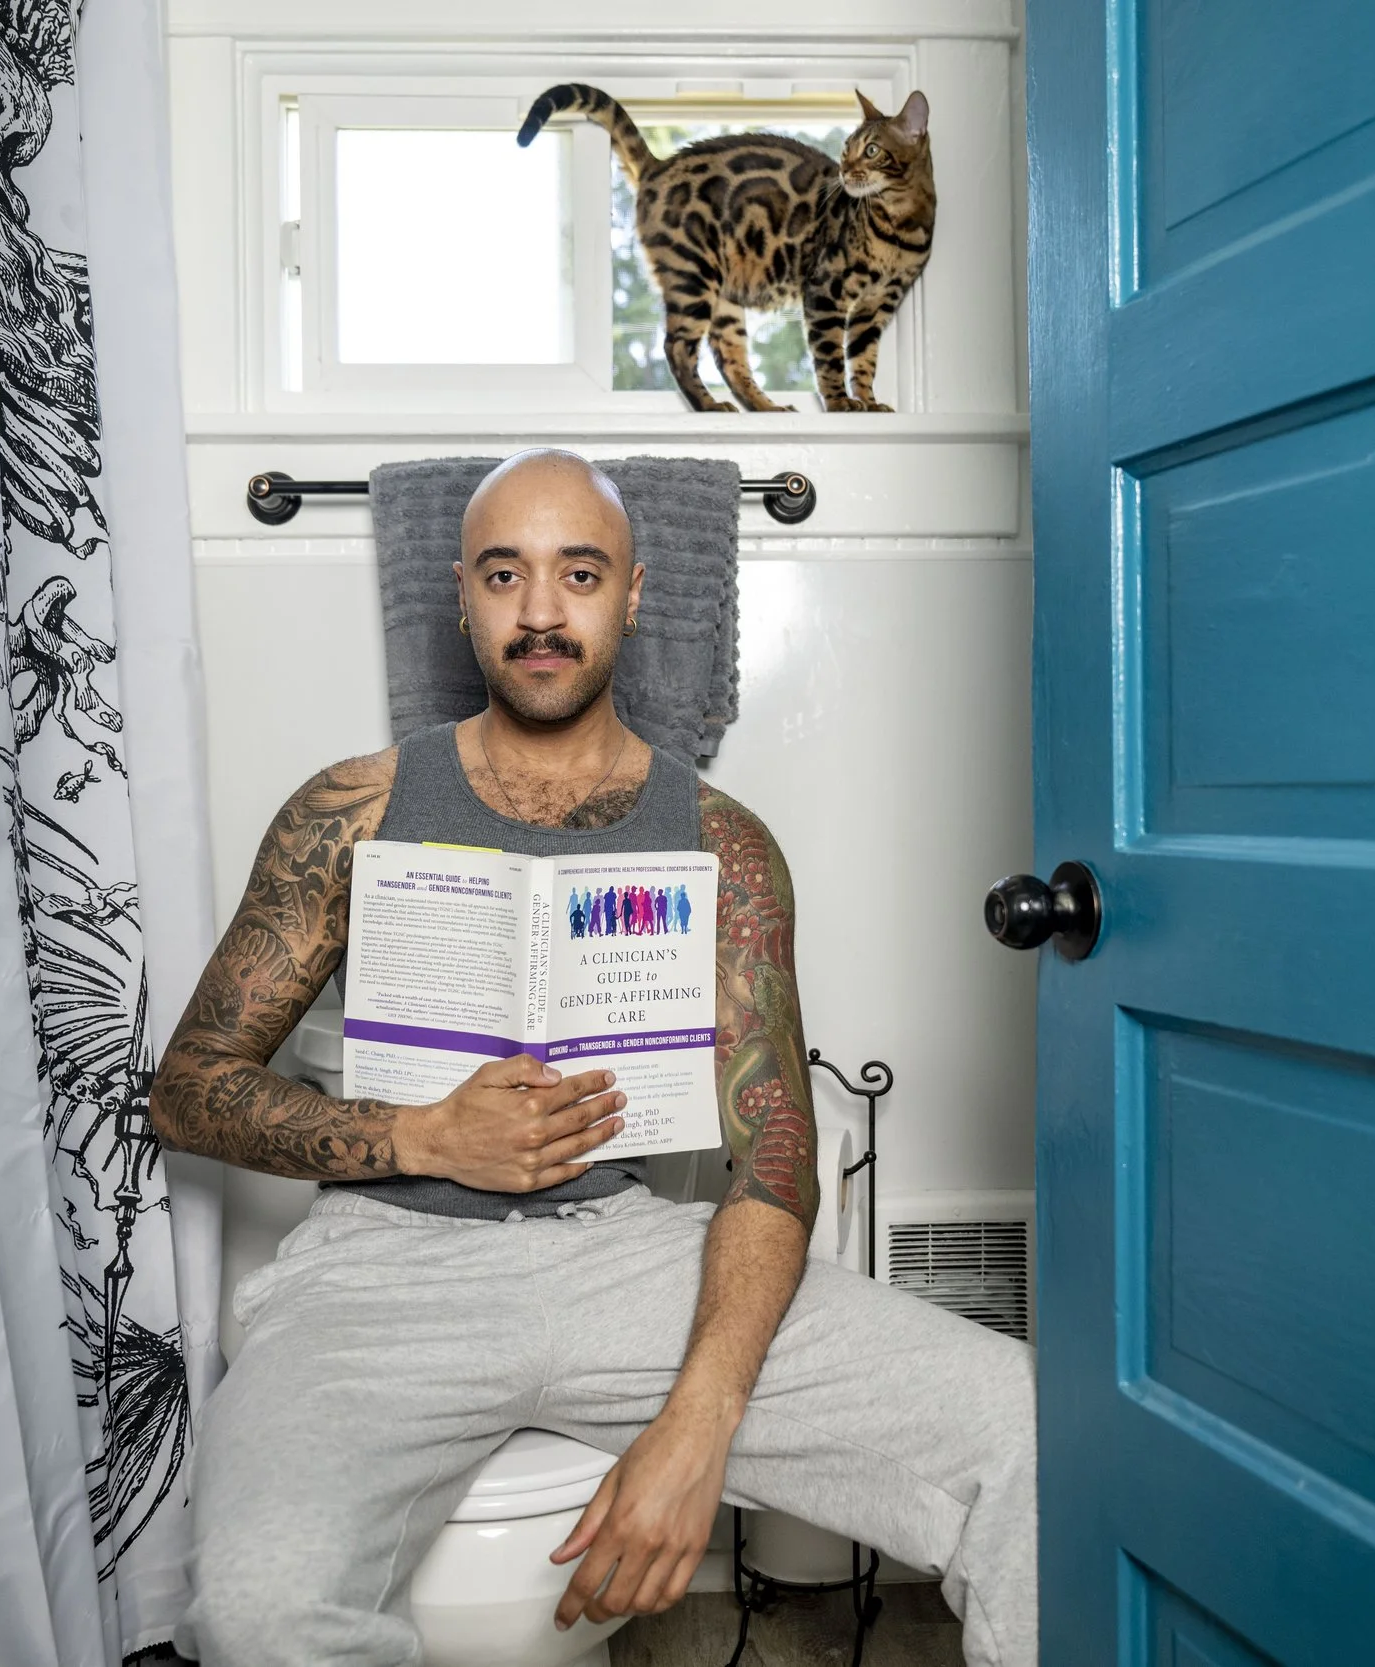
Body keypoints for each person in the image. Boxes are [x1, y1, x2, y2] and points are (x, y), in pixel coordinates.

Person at [153, 449, 1037, 1666]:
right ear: (460, 598)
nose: (540, 612)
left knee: (1032, 1431)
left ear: (634, 592)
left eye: (578, 572)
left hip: (628, 1255)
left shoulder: (724, 843)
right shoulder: (347, 808)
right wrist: (418, 1134)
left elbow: (773, 1149)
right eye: (504, 574)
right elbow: (187, 1087)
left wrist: (700, 1420)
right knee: (255, 1609)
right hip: (380, 1267)